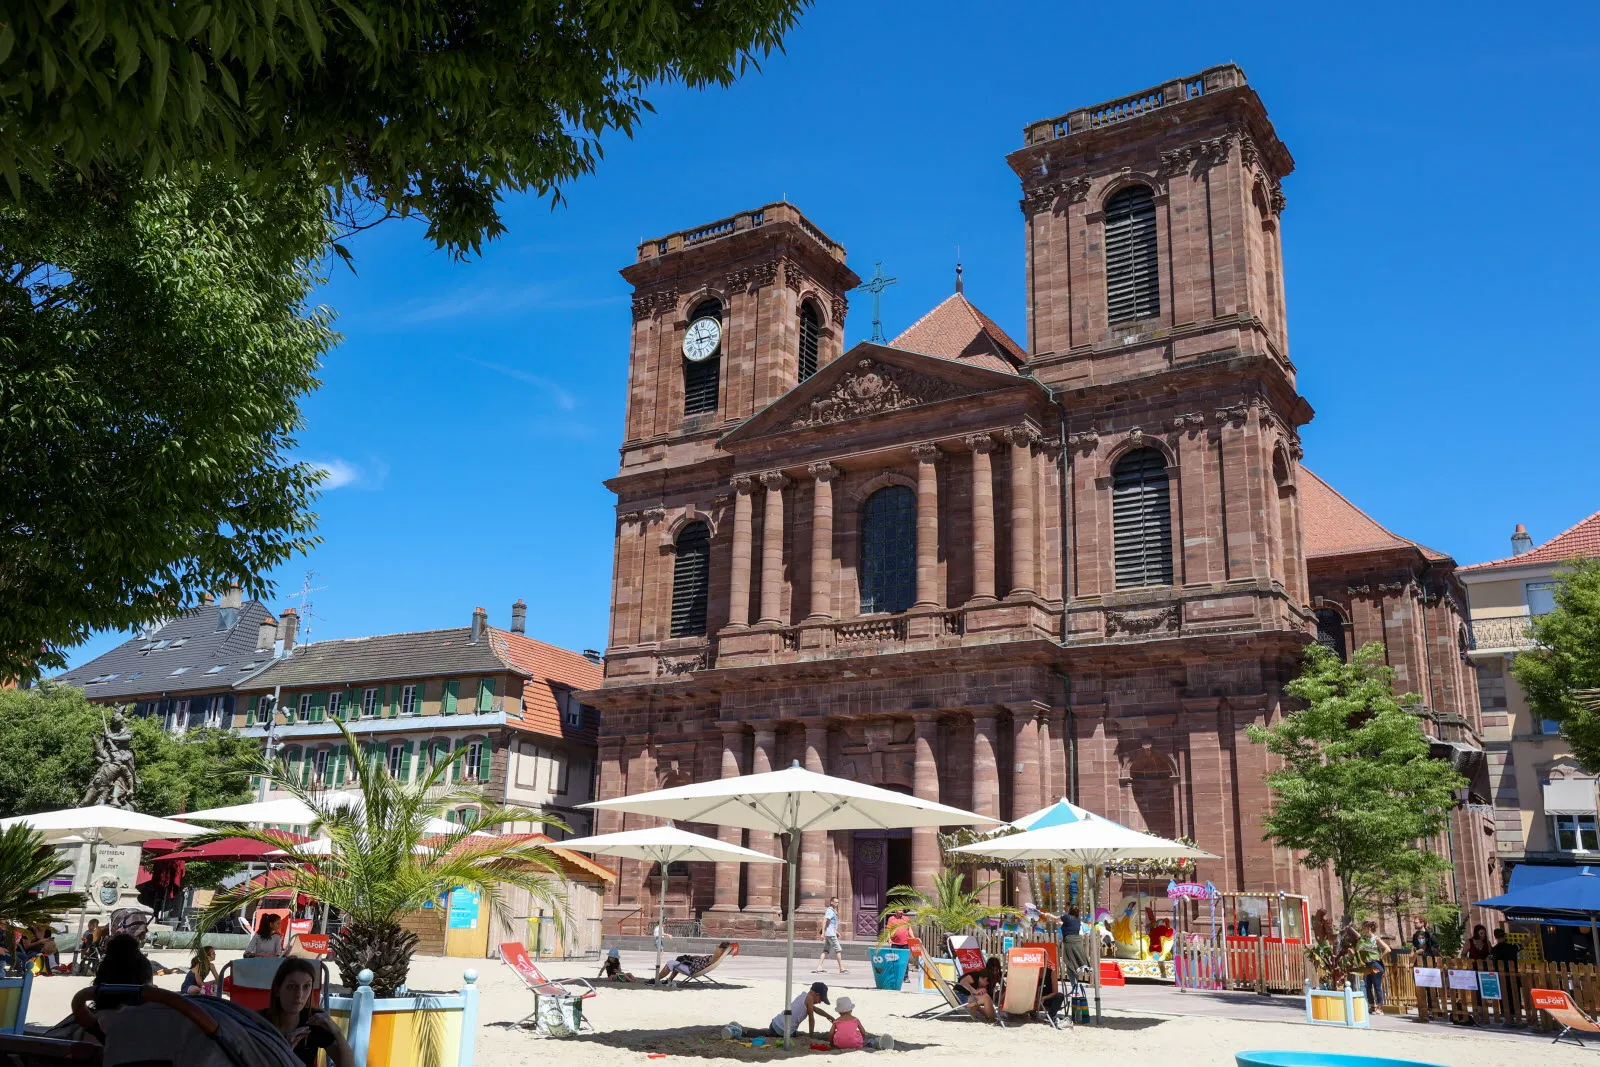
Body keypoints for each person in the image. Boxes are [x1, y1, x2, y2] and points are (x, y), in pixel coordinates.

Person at [259, 958, 354, 1067]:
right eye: (291, 987)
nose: (299, 995)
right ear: (277, 990)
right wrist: (284, 1052)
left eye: (306, 986)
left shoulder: (314, 1021)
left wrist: (338, 1033)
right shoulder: (258, 1024)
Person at [654, 940, 730, 986]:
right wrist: (697, 957)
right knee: (677, 963)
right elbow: (705, 961)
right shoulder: (716, 957)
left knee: (670, 963)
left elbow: (706, 964)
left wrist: (700, 963)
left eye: (719, 947)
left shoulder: (716, 957)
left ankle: (656, 980)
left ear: (721, 949)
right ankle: (669, 980)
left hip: (691, 969)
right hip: (693, 965)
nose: (717, 948)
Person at [955, 956, 1002, 1022]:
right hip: (959, 997)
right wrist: (975, 991)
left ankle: (977, 1017)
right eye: (987, 983)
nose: (987, 985)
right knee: (986, 997)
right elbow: (963, 982)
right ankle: (993, 1019)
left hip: (960, 997)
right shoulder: (975, 976)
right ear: (985, 979)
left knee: (981, 997)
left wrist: (978, 991)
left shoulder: (977, 980)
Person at [1357, 921, 1390, 1008]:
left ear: (1368, 928)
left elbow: (1388, 949)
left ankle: (1379, 1007)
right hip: (1367, 964)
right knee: (1367, 985)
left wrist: (1380, 958)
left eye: (1364, 928)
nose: (1363, 930)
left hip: (1375, 964)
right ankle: (1372, 1005)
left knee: (1377, 986)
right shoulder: (1365, 940)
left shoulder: (1376, 939)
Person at [813, 896, 848, 974]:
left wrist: (836, 932)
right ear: (832, 902)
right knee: (838, 950)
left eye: (838, 902)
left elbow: (830, 924)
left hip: (830, 933)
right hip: (831, 934)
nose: (837, 903)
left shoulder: (832, 911)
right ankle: (841, 968)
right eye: (836, 902)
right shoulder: (830, 911)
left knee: (825, 950)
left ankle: (819, 967)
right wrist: (823, 933)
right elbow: (825, 921)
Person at [1059, 907, 1091, 978]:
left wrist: (1048, 915)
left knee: (1069, 961)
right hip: (1078, 941)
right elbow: (1069, 924)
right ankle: (1083, 968)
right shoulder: (1078, 919)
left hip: (1070, 941)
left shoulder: (1067, 917)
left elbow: (1056, 918)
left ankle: (1074, 980)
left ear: (1069, 910)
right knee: (1078, 958)